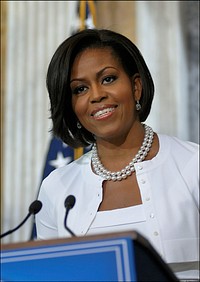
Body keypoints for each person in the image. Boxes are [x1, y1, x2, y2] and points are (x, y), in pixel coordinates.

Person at [35, 29, 199, 280]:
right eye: (79, 89)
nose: (97, 95)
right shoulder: (57, 188)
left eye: (108, 79)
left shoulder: (193, 165)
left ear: (136, 87)